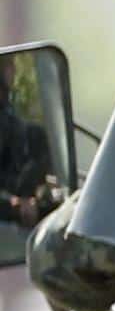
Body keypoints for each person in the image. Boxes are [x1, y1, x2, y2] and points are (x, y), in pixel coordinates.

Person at [0, 56, 54, 228]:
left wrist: (35, 196)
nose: (12, 69)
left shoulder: (18, 123)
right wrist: (14, 204)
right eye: (7, 64)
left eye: (10, 63)